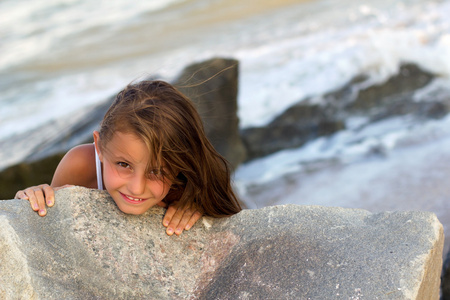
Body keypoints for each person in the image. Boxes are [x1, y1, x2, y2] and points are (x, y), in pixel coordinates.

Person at [15, 80, 242, 236]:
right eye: (123, 165)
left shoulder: (183, 190)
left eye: (157, 171)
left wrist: (195, 206)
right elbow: (51, 224)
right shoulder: (81, 164)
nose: (136, 187)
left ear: (180, 166)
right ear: (100, 146)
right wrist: (35, 199)